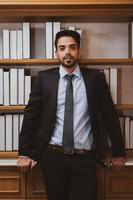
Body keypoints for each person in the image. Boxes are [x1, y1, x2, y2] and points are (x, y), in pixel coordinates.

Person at [17, 30, 125, 200]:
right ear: (56, 52)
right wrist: (23, 154)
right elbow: (31, 115)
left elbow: (109, 116)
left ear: (79, 51)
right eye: (62, 48)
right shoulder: (44, 78)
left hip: (86, 159)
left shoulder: (95, 79)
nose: (67, 52)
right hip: (52, 157)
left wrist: (119, 153)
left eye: (72, 47)